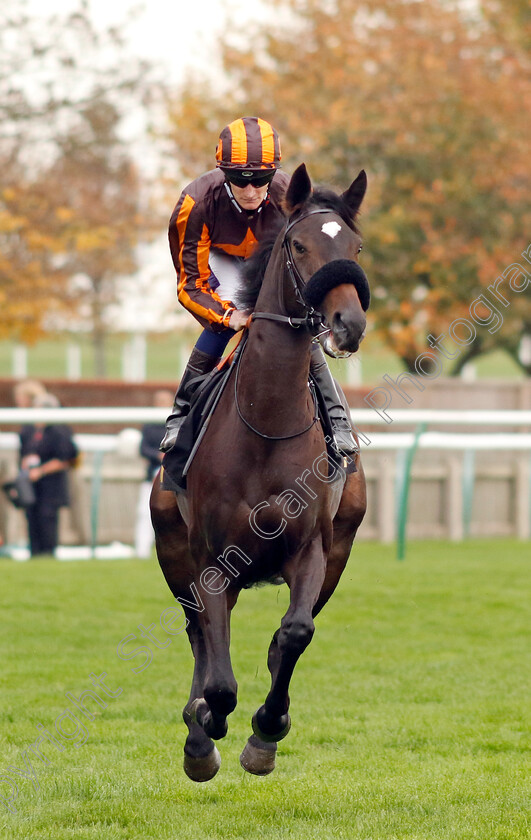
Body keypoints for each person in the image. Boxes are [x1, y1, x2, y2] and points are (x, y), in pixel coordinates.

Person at [160, 115, 356, 455]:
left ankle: (338, 421)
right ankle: (181, 413)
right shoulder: (194, 204)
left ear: (274, 174)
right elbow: (189, 285)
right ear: (224, 173)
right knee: (223, 325)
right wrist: (229, 317)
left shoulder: (291, 196)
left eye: (261, 180)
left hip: (270, 257)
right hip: (222, 259)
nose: (251, 191)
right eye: (239, 180)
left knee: (296, 327)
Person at [19, 392, 78, 558]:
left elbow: (67, 457)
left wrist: (42, 470)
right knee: (31, 518)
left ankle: (47, 554)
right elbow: (23, 452)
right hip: (31, 485)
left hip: (51, 486)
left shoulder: (59, 431)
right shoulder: (28, 430)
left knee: (47, 520)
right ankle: (33, 554)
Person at [134, 389, 174, 558]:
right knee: (144, 511)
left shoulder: (179, 422)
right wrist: (158, 455)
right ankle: (141, 550)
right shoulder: (149, 425)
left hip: (174, 474)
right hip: (153, 474)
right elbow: (143, 449)